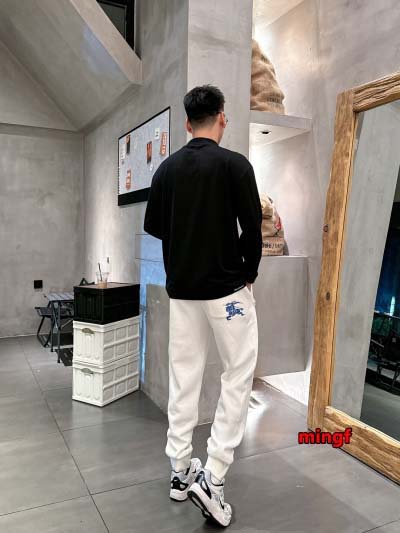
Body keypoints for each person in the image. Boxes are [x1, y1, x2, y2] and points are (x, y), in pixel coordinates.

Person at [144, 85, 262, 527]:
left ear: (187, 122)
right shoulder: (235, 165)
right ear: (222, 117)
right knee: (237, 374)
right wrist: (249, 271)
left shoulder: (166, 170)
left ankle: (180, 470)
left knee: (184, 375)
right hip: (228, 291)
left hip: (182, 291)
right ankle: (213, 475)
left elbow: (156, 228)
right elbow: (252, 228)